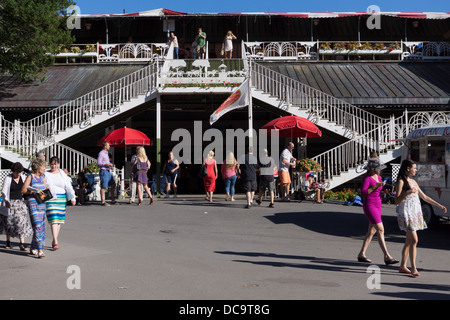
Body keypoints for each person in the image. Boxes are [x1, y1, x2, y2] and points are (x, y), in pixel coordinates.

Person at [395, 159, 447, 277]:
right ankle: (413, 267)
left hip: (415, 213)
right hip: (406, 213)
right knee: (414, 240)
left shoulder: (414, 181)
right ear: (408, 168)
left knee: (408, 241)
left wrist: (439, 205)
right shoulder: (401, 182)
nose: (416, 170)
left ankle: (403, 266)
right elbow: (397, 200)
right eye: (414, 168)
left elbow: (425, 197)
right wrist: (407, 192)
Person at [357, 157, 398, 266]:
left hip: (377, 204)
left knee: (372, 231)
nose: (379, 170)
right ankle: (387, 256)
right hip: (369, 205)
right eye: (378, 168)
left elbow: (377, 192)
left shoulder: (378, 177)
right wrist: (376, 186)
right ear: (372, 168)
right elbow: (364, 193)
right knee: (380, 229)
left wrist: (383, 191)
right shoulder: (367, 178)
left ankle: (362, 254)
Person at [44, 156, 76, 250]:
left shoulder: (62, 173)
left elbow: (68, 186)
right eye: (52, 164)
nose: (53, 166)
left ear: (58, 164)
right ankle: (55, 241)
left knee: (59, 221)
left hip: (61, 198)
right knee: (53, 219)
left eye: (55, 164)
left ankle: (55, 240)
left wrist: (73, 197)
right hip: (50, 198)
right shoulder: (45, 173)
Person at [0, 163, 33, 251]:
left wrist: (31, 191)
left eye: (20, 172)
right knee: (9, 223)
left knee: (21, 223)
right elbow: (4, 191)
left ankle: (21, 244)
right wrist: (6, 201)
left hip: (20, 204)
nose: (18, 174)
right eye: (17, 172)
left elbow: (26, 188)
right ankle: (8, 242)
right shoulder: (8, 178)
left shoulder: (22, 177)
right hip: (10, 203)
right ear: (13, 171)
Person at [21, 158, 48, 258]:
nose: (45, 168)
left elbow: (44, 188)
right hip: (33, 203)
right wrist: (33, 191)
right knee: (37, 225)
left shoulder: (43, 177)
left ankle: (33, 246)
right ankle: (40, 249)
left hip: (42, 203)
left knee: (41, 227)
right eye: (43, 166)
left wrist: (46, 190)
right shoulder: (30, 177)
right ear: (38, 167)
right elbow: (23, 190)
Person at [97, 141, 117, 206]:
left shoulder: (106, 153)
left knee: (113, 184)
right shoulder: (101, 153)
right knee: (103, 186)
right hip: (104, 170)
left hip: (108, 171)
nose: (109, 146)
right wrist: (107, 163)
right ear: (105, 146)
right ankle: (103, 201)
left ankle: (112, 199)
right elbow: (99, 163)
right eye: (108, 145)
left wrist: (110, 164)